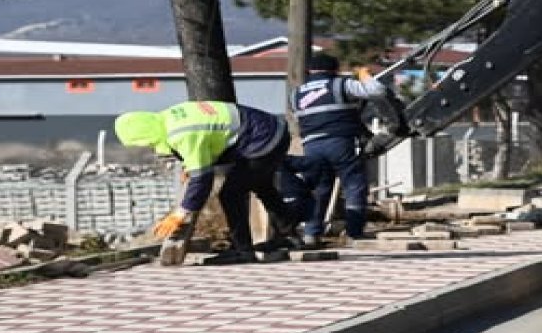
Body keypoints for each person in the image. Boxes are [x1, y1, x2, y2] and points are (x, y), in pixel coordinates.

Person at [114, 100, 303, 265]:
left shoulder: (181, 134)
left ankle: (243, 251)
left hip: (262, 139)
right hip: (271, 130)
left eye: (146, 143)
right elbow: (211, 141)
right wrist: (191, 164)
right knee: (261, 185)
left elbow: (202, 179)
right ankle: (290, 236)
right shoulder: (168, 118)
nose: (149, 147)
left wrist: (181, 213)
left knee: (231, 194)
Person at [289, 52, 388, 243]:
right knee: (354, 185)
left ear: (310, 70)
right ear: (334, 70)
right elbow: (378, 90)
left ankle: (311, 234)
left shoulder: (296, 94)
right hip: (340, 142)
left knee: (319, 189)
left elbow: (299, 118)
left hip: (311, 145)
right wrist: (364, 75)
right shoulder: (340, 84)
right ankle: (354, 233)